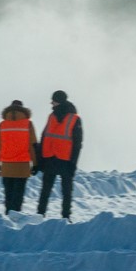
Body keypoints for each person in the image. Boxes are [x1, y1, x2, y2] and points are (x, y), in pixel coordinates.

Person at [36, 90, 83, 221]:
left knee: (49, 191)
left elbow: (77, 144)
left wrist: (41, 159)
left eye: (54, 101)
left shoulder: (70, 119)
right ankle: (63, 217)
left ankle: (44, 215)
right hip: (60, 160)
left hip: (56, 159)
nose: (51, 103)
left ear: (59, 101)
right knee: (64, 192)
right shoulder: (69, 118)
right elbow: (45, 138)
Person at [0, 100, 37, 214]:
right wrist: (36, 164)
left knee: (8, 195)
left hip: (6, 167)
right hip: (22, 167)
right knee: (18, 196)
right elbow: (33, 146)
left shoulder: (2, 125)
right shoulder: (28, 124)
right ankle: (15, 217)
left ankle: (8, 216)